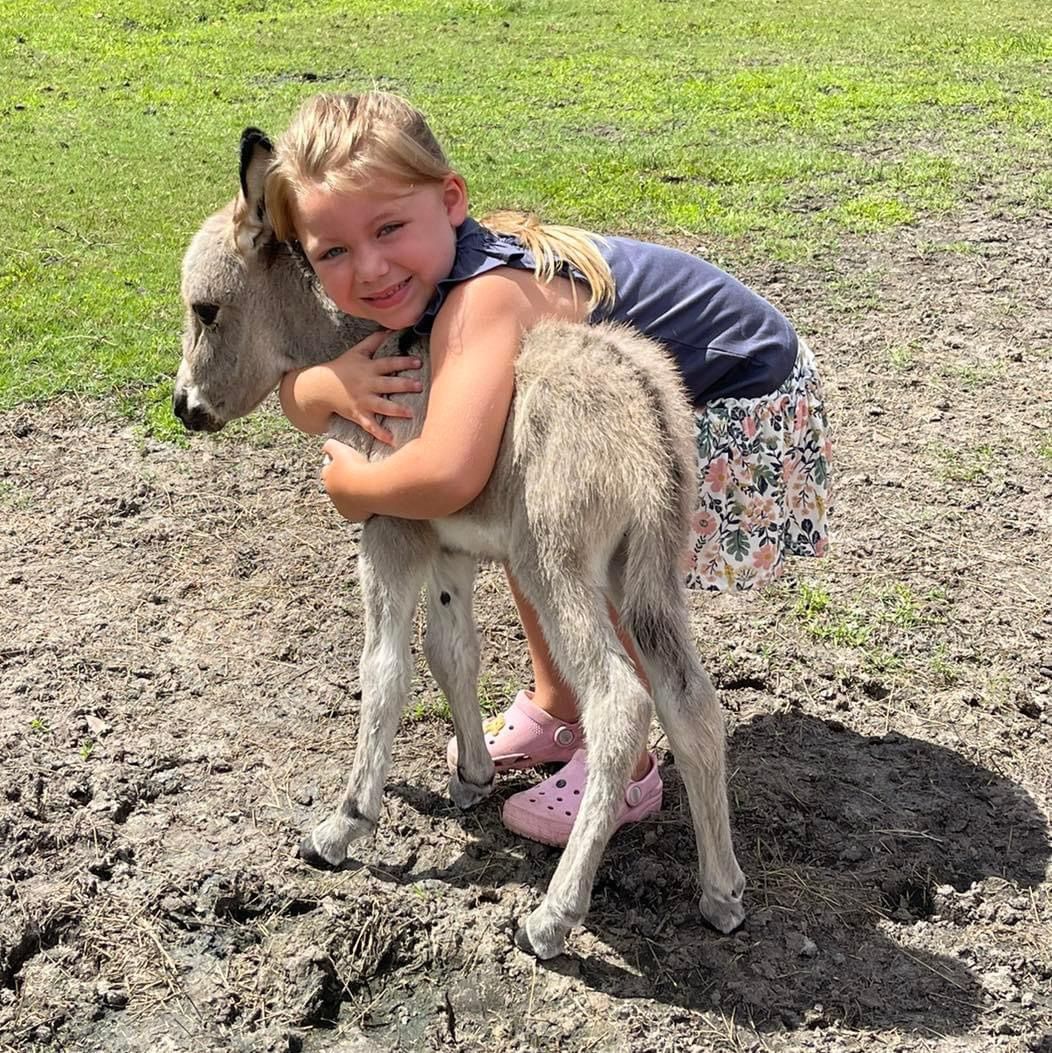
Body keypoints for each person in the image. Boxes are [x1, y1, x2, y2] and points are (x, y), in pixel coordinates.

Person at [267, 91, 832, 848]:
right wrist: (326, 385)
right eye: (332, 252)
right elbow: (305, 401)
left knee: (576, 523)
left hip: (738, 399)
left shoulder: (482, 301)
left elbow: (450, 476)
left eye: (388, 228)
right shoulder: (431, 273)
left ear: (451, 200)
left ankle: (621, 752)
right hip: (647, 399)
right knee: (526, 491)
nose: (367, 268)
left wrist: (353, 487)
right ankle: (561, 704)